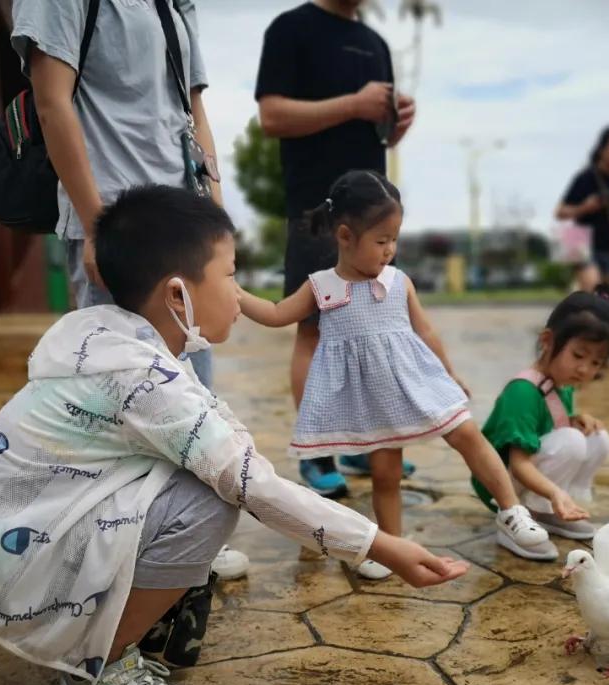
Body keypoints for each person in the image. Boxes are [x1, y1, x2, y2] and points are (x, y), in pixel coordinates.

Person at [0, 186, 469, 685]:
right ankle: (90, 683)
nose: (238, 294)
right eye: (230, 274)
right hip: (17, 567)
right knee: (208, 502)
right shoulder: (142, 377)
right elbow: (250, 483)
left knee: (195, 480)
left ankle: (108, 634)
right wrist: (382, 545)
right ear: (177, 293)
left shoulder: (118, 340)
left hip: (9, 548)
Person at [11, 0, 246, 579]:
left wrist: (214, 223)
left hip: (182, 235)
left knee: (188, 401)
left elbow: (193, 111)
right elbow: (52, 101)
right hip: (122, 232)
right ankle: (103, 574)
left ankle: (169, 552)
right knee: (120, 413)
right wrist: (97, 225)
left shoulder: (173, 2)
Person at [239, 171, 565, 567]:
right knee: (385, 475)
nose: (390, 250)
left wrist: (449, 374)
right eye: (381, 241)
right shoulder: (321, 286)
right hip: (374, 401)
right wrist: (234, 293)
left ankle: (512, 511)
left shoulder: (399, 281)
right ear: (345, 236)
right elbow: (276, 314)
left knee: (467, 434)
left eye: (394, 239)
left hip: (420, 382)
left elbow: (425, 330)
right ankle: (393, 547)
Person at [255, 0, 417, 499]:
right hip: (318, 212)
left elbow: (377, 132)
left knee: (372, 328)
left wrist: (395, 123)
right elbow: (271, 115)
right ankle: (316, 453)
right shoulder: (291, 28)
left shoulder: (376, 44)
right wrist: (354, 103)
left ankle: (360, 443)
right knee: (312, 333)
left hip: (372, 215)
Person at [473, 289, 609, 551]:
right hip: (503, 481)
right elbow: (519, 463)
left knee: (597, 438)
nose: (585, 369)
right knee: (573, 441)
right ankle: (515, 518)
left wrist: (576, 418)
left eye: (596, 362)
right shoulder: (522, 391)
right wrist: (554, 492)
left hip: (529, 471)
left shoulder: (561, 384)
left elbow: (551, 424)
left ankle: (548, 513)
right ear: (548, 341)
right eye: (578, 355)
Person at [556, 125, 609, 289]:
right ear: (602, 149)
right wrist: (584, 208)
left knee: (604, 303)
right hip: (578, 238)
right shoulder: (585, 178)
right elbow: (560, 212)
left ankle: (575, 304)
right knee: (592, 291)